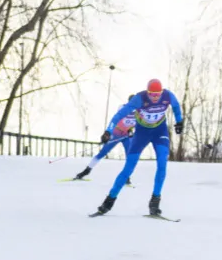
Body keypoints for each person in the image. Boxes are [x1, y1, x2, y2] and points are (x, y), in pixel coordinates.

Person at [92, 79, 184, 216]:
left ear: (162, 92)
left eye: (157, 94)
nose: (155, 97)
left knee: (162, 164)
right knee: (129, 168)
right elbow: (120, 115)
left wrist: (179, 121)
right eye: (152, 94)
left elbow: (176, 107)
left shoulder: (168, 96)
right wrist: (108, 131)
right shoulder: (139, 99)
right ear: (147, 92)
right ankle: (109, 201)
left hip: (160, 131)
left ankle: (154, 203)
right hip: (142, 133)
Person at [72, 95, 137, 184]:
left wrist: (131, 131)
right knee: (103, 152)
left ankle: (127, 176)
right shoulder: (122, 107)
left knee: (130, 156)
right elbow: (120, 120)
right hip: (116, 133)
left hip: (126, 136)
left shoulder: (140, 111)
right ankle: (86, 171)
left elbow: (138, 124)